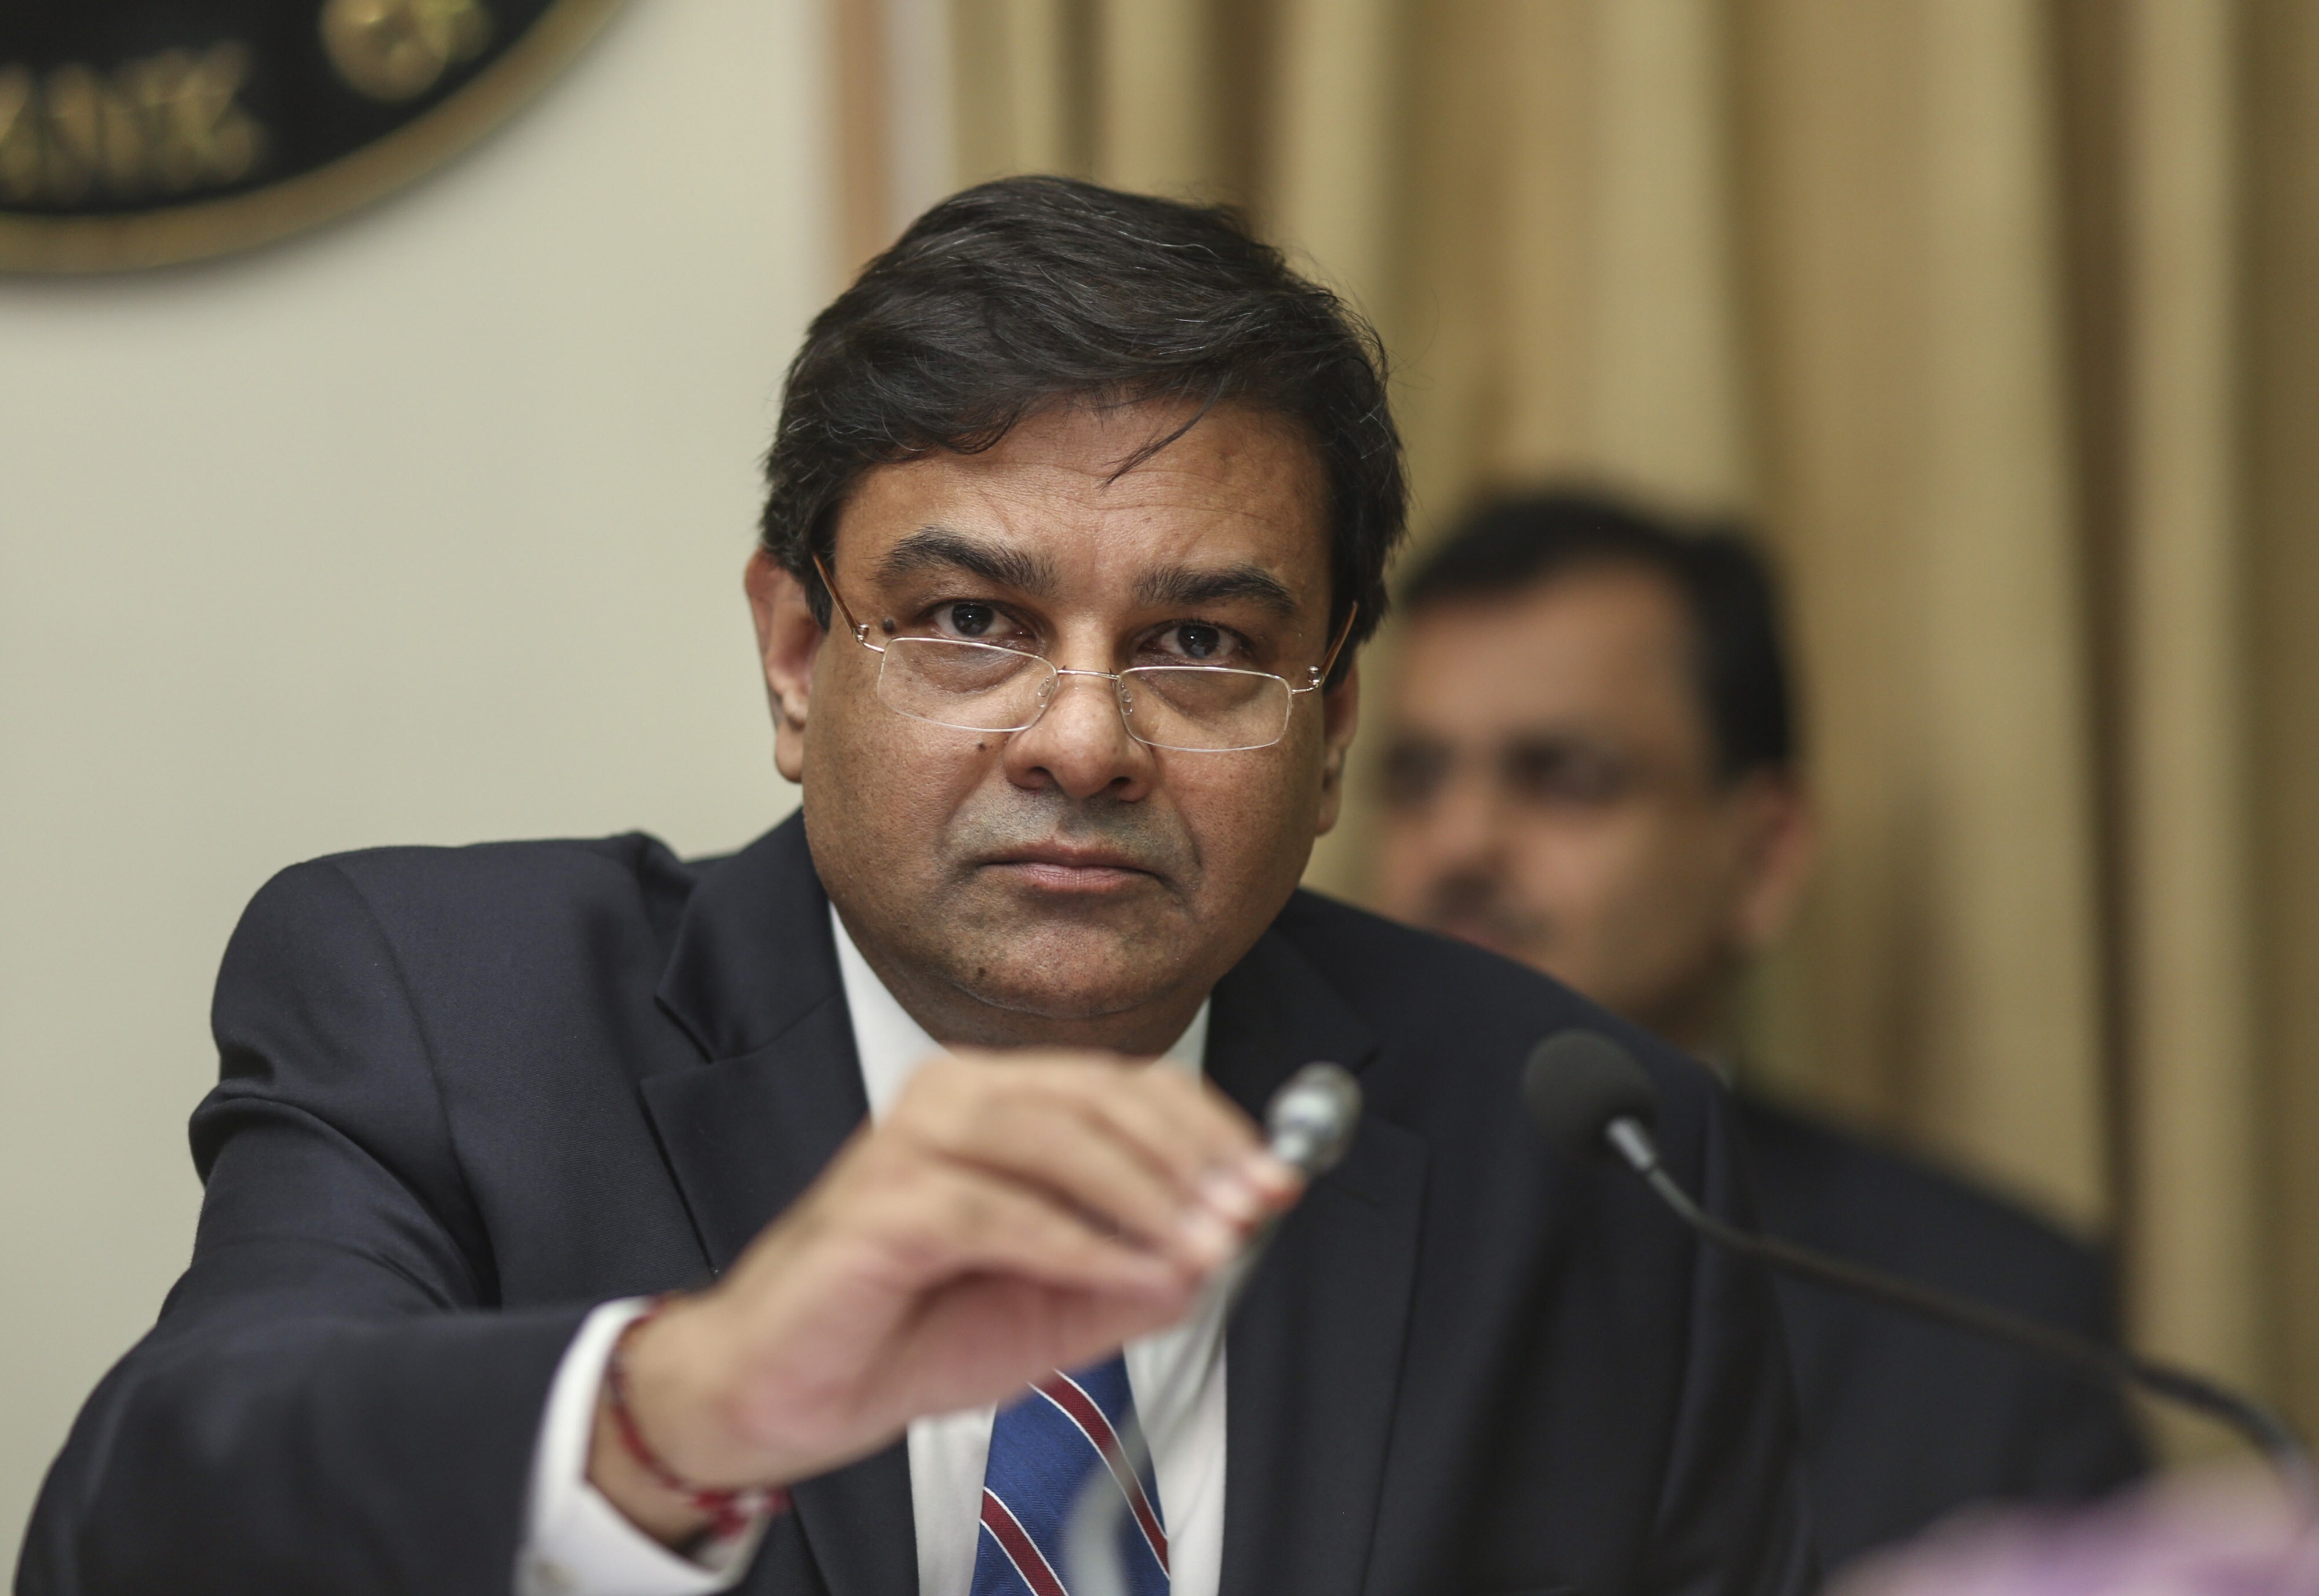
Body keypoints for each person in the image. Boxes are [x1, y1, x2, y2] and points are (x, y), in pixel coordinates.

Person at [19, 183, 1811, 1596]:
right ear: (798, 657)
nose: (1085, 740)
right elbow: (143, 1532)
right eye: (972, 620)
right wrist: (689, 1403)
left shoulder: (1583, 1154)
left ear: (1332, 727)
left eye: (1201, 643)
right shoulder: (451, 1019)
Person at [1372, 491, 2149, 1574]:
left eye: (1562, 778)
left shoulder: (1991, 1317)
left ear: (1763, 857)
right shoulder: (1241, 1226)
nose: (1460, 841)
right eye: (1416, 779)